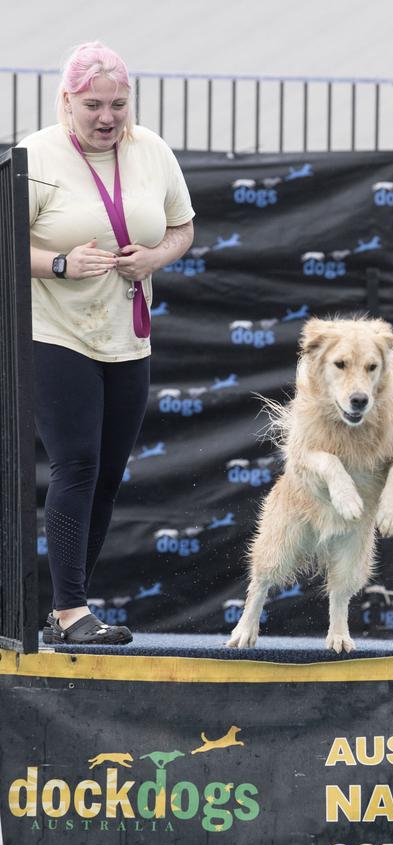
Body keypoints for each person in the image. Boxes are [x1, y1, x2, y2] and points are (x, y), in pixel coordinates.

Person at [19, 42, 195, 645]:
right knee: (77, 464)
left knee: (108, 478)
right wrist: (61, 263)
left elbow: (182, 227)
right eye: (93, 104)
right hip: (55, 332)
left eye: (118, 104)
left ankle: (70, 610)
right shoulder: (34, 156)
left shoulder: (151, 152)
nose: (107, 117)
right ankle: (70, 612)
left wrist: (154, 257)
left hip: (126, 336)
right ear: (66, 100)